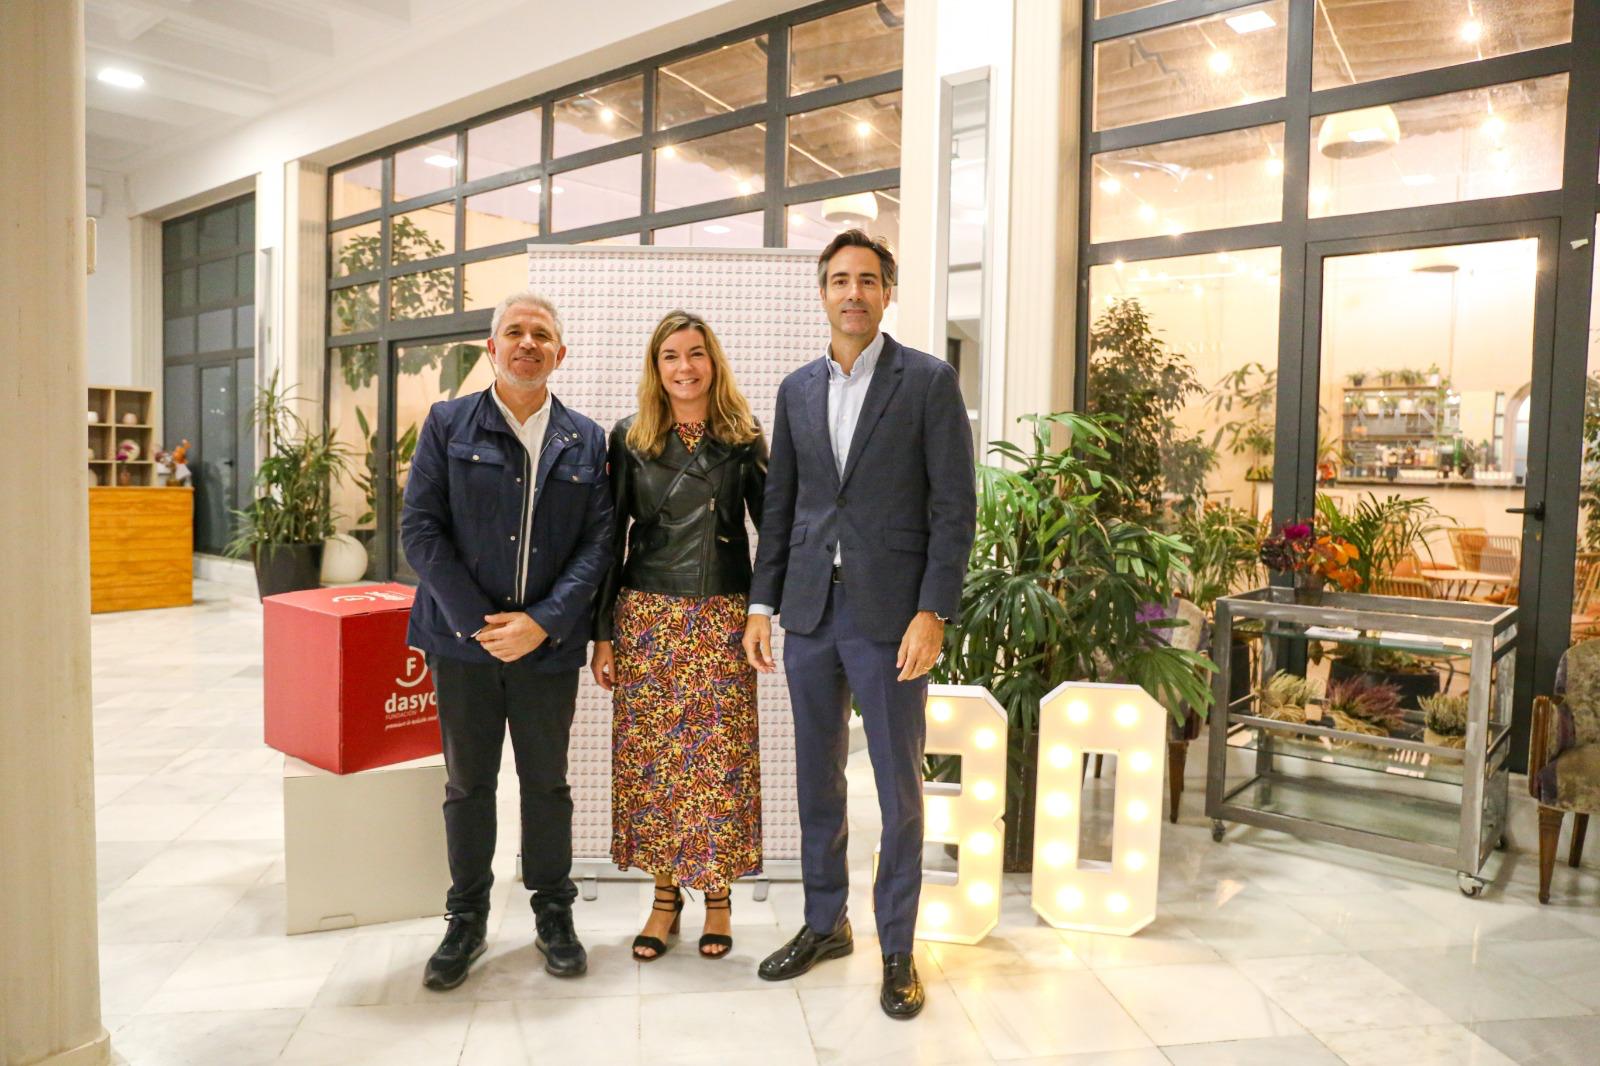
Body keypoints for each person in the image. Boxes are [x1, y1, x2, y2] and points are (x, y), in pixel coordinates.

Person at [744, 230, 976, 1019]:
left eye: (867, 281)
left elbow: (954, 509)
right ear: (823, 293)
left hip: (890, 617)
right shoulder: (797, 389)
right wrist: (761, 603)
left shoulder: (928, 382)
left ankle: (900, 947)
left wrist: (933, 612)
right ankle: (823, 923)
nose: (853, 293)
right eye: (839, 280)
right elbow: (782, 510)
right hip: (809, 611)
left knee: (898, 789)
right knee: (817, 780)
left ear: (886, 293)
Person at [402, 291, 613, 991]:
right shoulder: (447, 424)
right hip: (463, 646)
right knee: (468, 786)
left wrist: (544, 622)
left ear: (560, 354)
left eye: (542, 335)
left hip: (546, 651)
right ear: (492, 349)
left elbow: (597, 543)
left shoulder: (585, 439)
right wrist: (480, 625)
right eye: (514, 332)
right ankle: (466, 920)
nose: (528, 343)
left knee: (547, 786)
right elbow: (420, 532)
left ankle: (554, 913)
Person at [591, 310, 768, 961]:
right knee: (659, 766)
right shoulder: (629, 438)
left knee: (717, 764)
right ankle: (665, 898)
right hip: (648, 621)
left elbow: (771, 530)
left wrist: (762, 611)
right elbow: (612, 540)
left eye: (696, 353)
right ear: (656, 366)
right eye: (671, 355)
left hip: (723, 616)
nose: (685, 367)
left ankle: (717, 898)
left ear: (712, 361)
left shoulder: (743, 437)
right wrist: (604, 633)